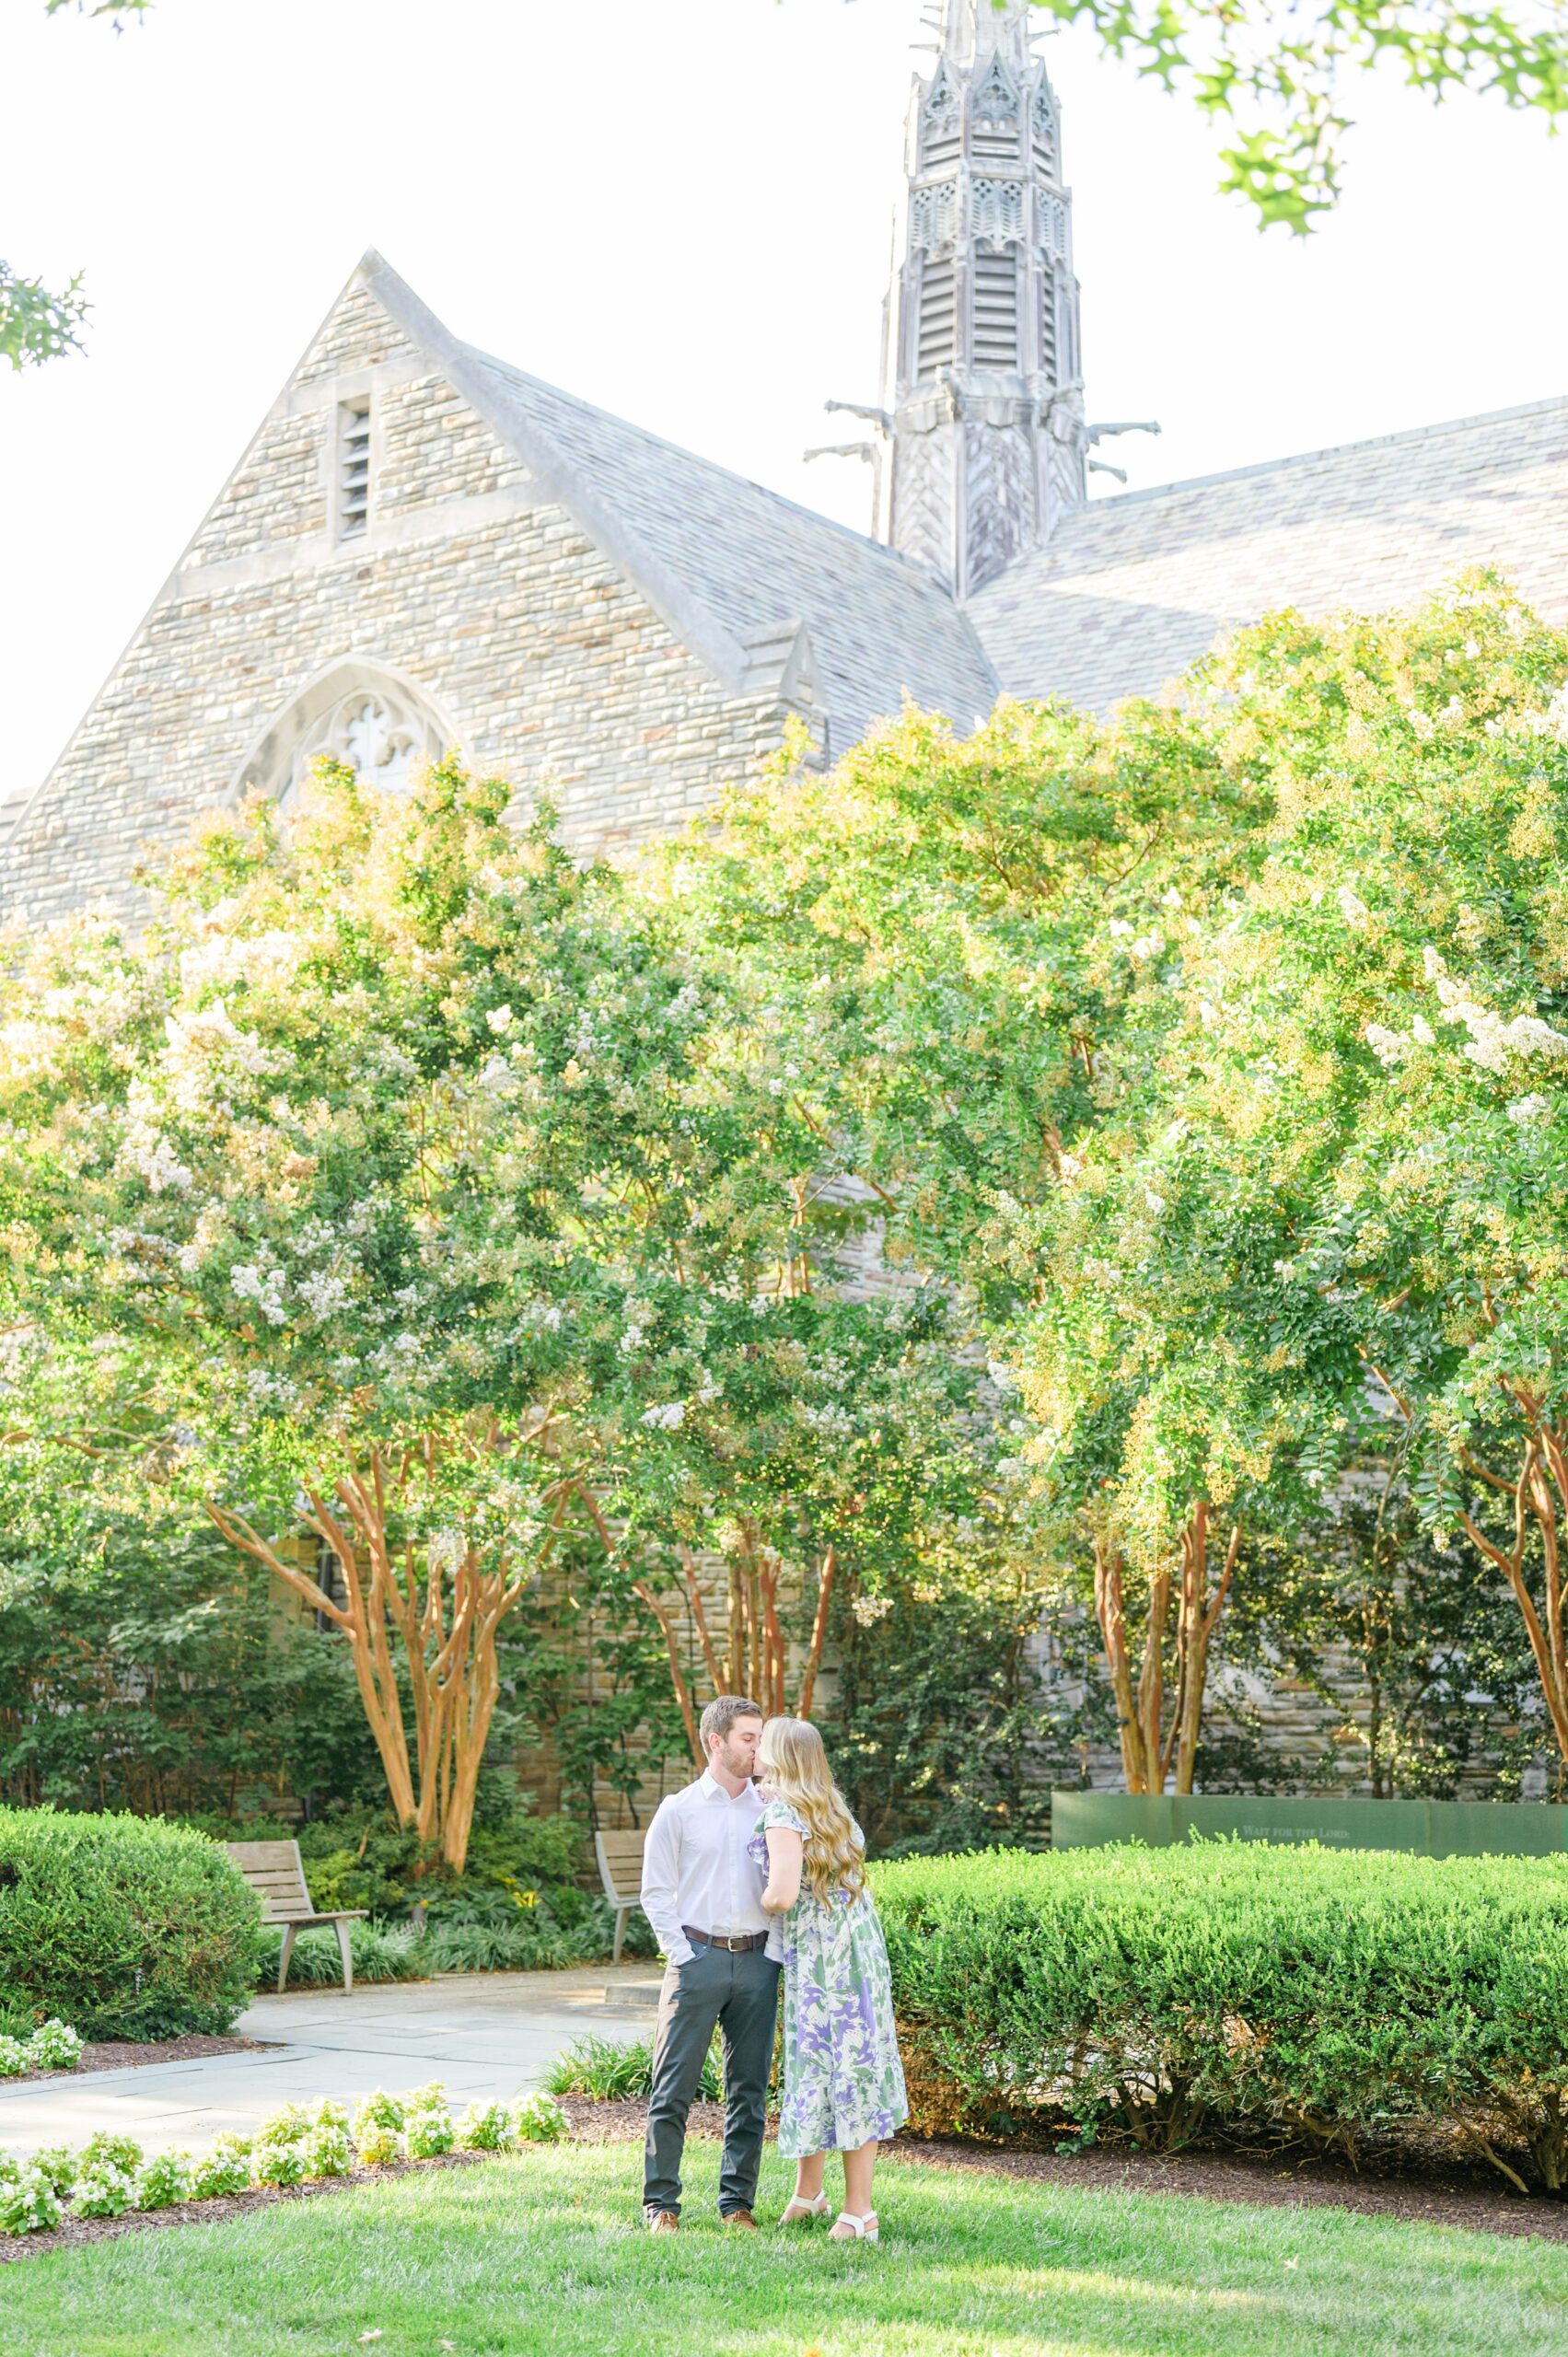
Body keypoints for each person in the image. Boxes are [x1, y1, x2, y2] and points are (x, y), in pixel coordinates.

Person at [752, 1714, 907, 2244]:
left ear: (777, 1757)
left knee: (835, 2068)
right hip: (857, 1950)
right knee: (834, 2066)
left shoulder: (781, 1813)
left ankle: (860, 2212)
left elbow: (781, 1894)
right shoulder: (831, 1807)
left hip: (823, 1964)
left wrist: (750, 1905)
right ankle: (809, 2193)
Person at [638, 1693, 782, 2234]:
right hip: (695, 1961)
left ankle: (736, 2203)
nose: (758, 1748)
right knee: (672, 2088)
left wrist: (772, 1954)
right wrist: (684, 1955)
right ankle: (661, 2205)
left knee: (749, 2089)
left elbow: (785, 1887)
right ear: (717, 1741)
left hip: (756, 1963)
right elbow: (655, 1892)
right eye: (749, 1737)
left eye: (760, 1737)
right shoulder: (678, 1810)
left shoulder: (772, 1809)